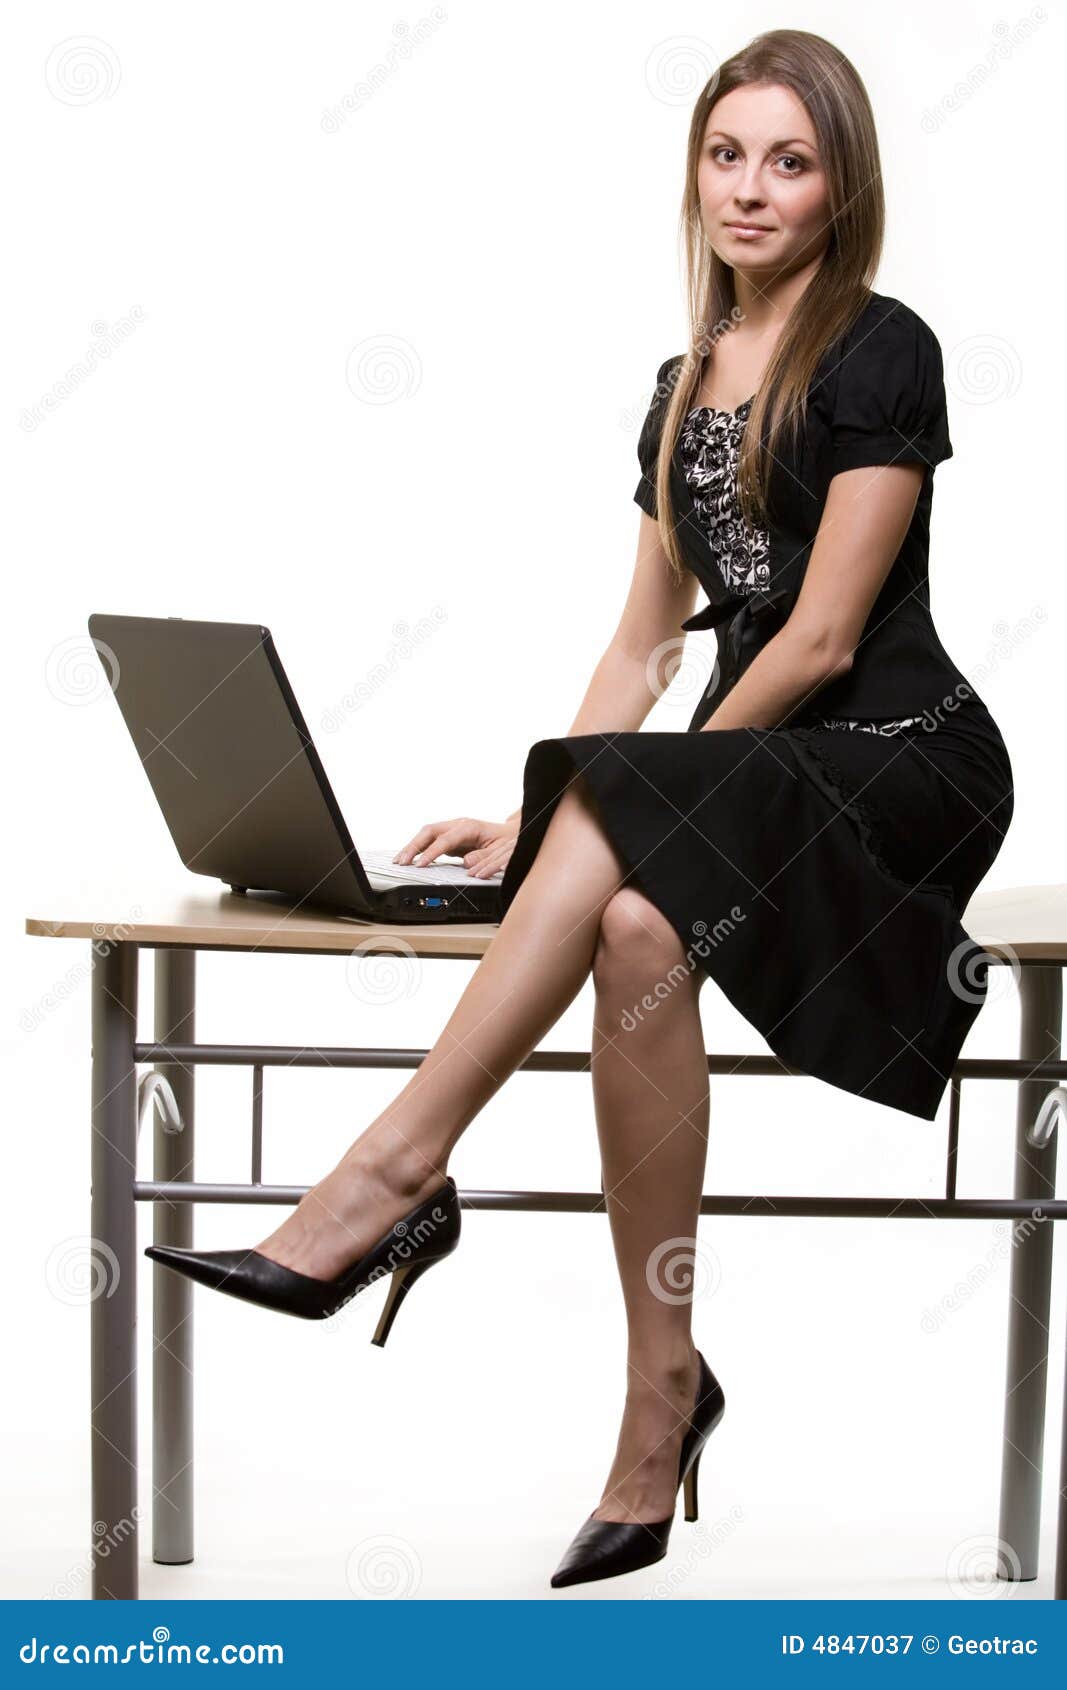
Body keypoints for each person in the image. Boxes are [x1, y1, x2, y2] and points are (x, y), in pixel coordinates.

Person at [146, 27, 1015, 1590]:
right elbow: (642, 639)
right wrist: (547, 798)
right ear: (694, 170)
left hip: (906, 760)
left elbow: (819, 642)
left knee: (622, 842)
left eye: (791, 161)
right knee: (624, 917)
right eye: (727, 154)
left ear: (842, 187)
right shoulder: (682, 387)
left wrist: (628, 791)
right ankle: (660, 1394)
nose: (751, 189)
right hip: (754, 772)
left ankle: (388, 1175)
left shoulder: (885, 349)